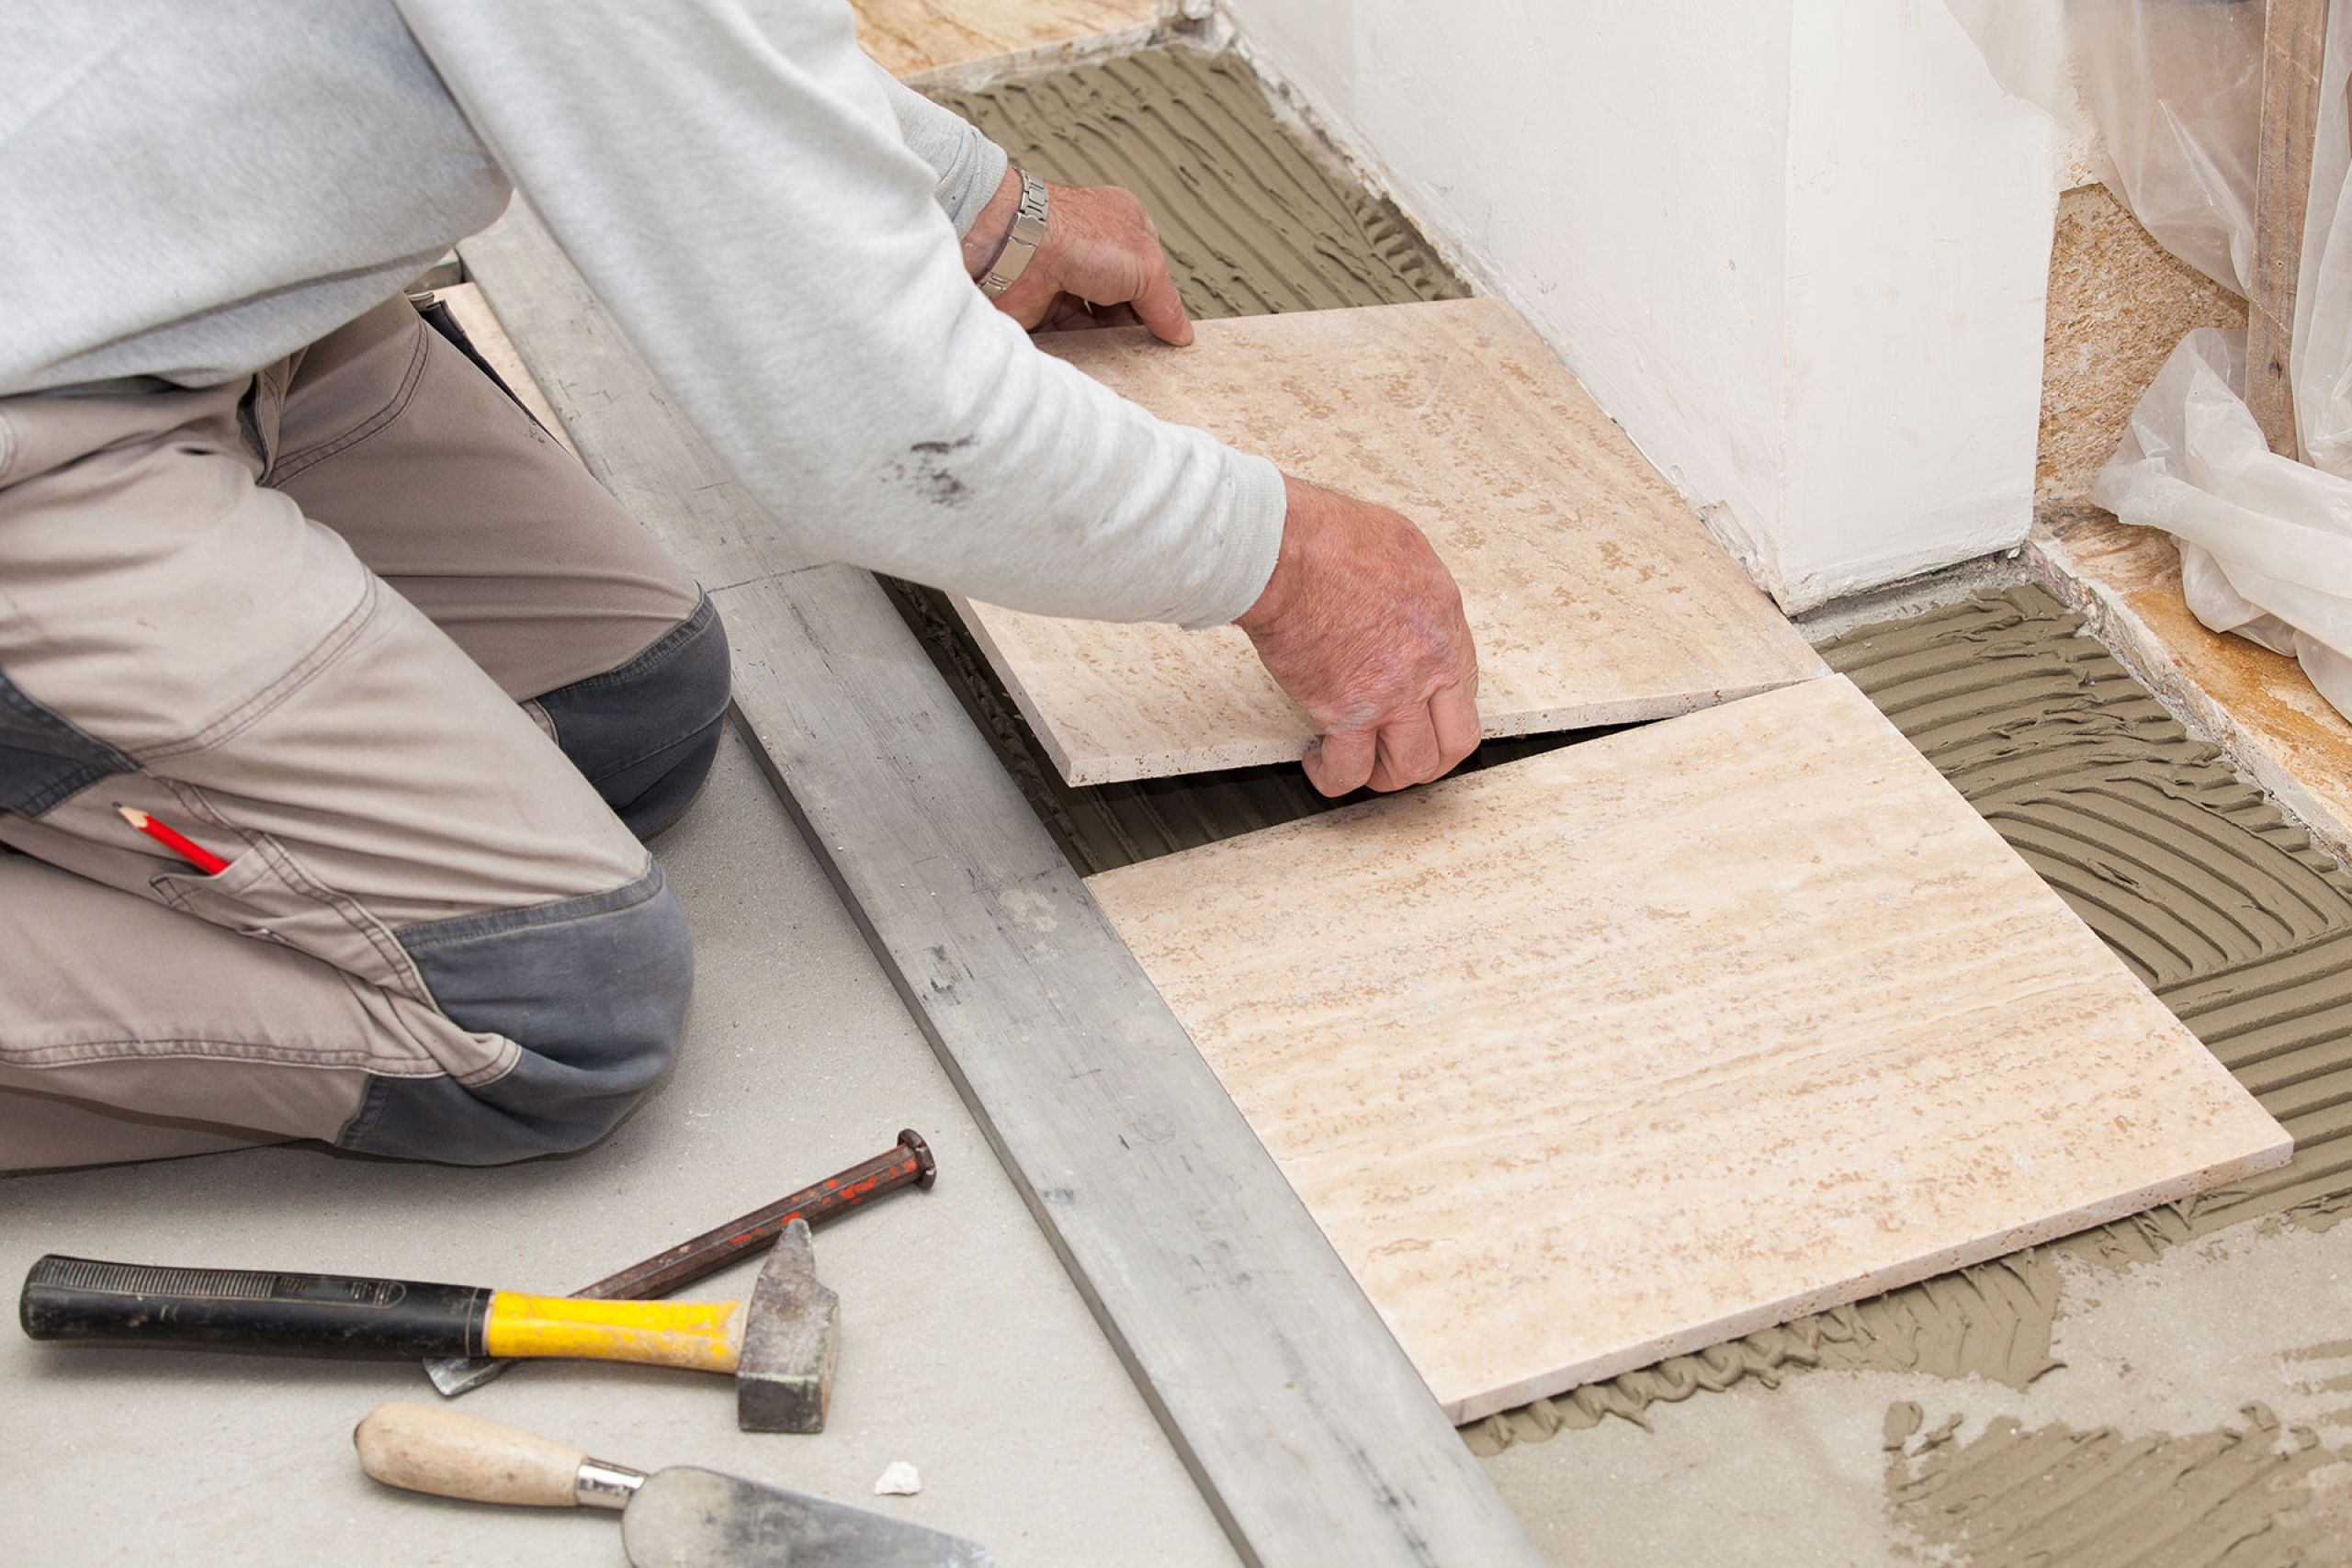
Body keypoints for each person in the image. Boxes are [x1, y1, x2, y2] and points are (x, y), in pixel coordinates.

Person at [0, 1, 1479, 1170]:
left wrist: (969, 193)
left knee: (622, 708)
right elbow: (879, 427)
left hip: (160, 316)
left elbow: (663, 44)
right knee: (545, 1009)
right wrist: (1283, 560)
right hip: (47, 413)